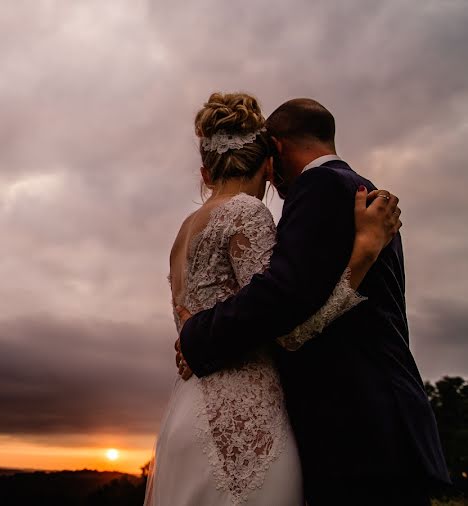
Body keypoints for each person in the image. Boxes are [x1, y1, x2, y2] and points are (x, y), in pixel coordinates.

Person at [173, 97, 450, 505]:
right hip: (372, 421)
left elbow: (280, 300)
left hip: (359, 427)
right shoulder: (360, 190)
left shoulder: (320, 187)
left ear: (277, 150)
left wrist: (197, 335)